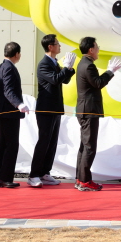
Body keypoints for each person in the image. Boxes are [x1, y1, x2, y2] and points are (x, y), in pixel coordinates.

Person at [29, 34, 76, 188]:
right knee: (44, 141)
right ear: (50, 46)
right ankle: (34, 175)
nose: (59, 46)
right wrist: (66, 68)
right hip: (45, 109)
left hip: (55, 108)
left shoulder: (54, 63)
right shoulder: (44, 64)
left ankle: (45, 172)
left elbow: (65, 80)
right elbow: (55, 79)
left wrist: (69, 69)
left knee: (52, 142)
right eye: (57, 44)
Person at [75, 37, 121, 191]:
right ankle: (85, 181)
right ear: (91, 50)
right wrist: (110, 71)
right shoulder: (88, 65)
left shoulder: (83, 63)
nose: (98, 49)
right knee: (89, 147)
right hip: (89, 110)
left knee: (84, 146)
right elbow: (98, 83)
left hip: (84, 110)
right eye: (97, 47)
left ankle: (80, 178)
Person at [0, 42, 28, 188]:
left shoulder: (2, 66)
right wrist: (19, 104)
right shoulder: (8, 68)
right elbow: (8, 91)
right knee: (11, 145)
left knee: (4, 145)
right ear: (17, 54)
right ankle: (4, 178)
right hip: (9, 113)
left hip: (5, 112)